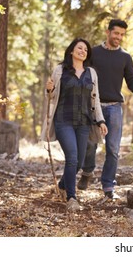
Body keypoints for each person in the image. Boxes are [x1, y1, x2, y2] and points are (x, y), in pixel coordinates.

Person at [78, 19, 133, 200]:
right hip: (94, 105)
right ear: (108, 32)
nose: (118, 37)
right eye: (116, 33)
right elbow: (82, 74)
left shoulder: (125, 57)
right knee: (90, 144)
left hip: (114, 108)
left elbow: (131, 80)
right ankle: (87, 171)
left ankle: (108, 186)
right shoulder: (93, 52)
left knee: (113, 149)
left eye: (122, 34)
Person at [41, 38, 108, 211]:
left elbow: (96, 99)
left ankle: (63, 185)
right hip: (64, 120)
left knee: (78, 161)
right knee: (72, 157)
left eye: (85, 49)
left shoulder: (91, 73)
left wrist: (100, 120)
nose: (83, 51)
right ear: (71, 51)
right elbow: (51, 96)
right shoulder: (60, 70)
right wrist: (49, 89)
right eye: (79, 48)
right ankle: (72, 198)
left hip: (84, 122)